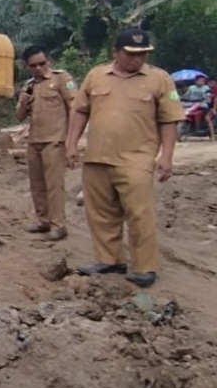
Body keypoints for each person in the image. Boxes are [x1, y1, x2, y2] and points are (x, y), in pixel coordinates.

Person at [64, 26, 184, 288]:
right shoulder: (96, 76)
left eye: (142, 54)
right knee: (100, 213)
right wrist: (71, 143)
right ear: (115, 52)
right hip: (97, 156)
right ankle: (109, 260)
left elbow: (170, 119)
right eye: (130, 53)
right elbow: (80, 111)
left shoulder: (160, 79)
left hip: (137, 159)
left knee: (140, 214)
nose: (137, 59)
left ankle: (144, 267)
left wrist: (167, 156)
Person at [15, 44, 77, 242]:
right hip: (34, 140)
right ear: (28, 66)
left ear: (49, 61)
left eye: (42, 63)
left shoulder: (62, 79)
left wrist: (71, 140)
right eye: (34, 65)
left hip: (55, 140)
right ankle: (43, 220)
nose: (39, 68)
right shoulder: (29, 85)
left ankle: (59, 225)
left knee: (54, 185)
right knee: (37, 184)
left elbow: (74, 107)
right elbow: (19, 116)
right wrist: (23, 102)